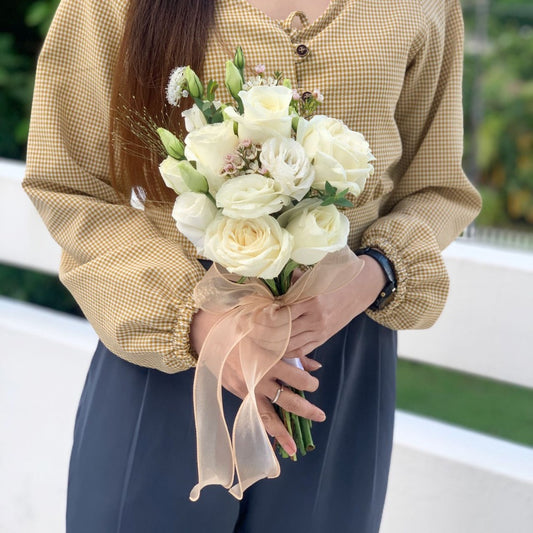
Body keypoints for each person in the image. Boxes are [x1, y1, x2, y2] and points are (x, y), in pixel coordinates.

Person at [22, 0, 482, 531]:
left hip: (337, 358)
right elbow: (69, 183)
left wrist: (371, 274)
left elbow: (435, 186)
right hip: (171, 356)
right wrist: (203, 326)